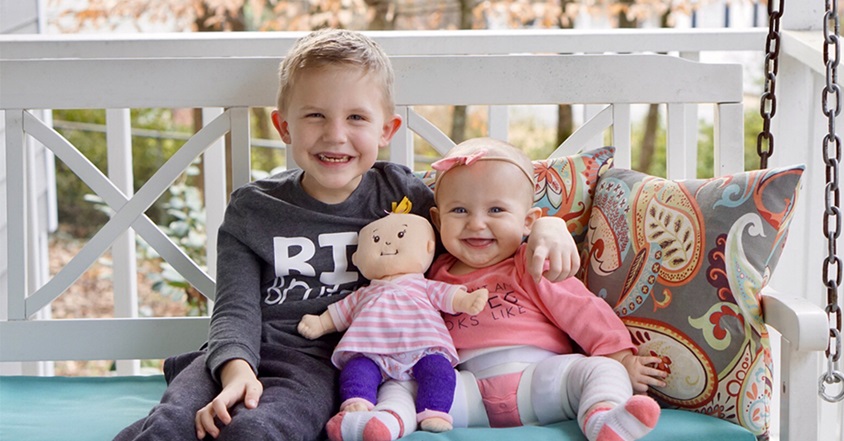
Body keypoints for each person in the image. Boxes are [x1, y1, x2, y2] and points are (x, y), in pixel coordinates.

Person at [114, 29, 578, 441]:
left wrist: (549, 226)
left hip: (324, 365)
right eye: (315, 115)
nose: (335, 135)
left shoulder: (405, 195)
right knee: (172, 424)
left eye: (356, 118)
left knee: (258, 429)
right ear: (284, 126)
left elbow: (480, 220)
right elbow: (234, 309)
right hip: (238, 351)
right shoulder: (254, 209)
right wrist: (237, 371)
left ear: (386, 130)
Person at [429, 138, 667, 441]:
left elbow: (582, 309)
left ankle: (604, 419)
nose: (477, 224)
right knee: (407, 387)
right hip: (468, 392)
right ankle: (383, 419)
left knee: (601, 372)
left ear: (528, 221)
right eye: (460, 210)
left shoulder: (531, 263)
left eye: (496, 210)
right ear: (437, 220)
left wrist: (620, 358)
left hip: (540, 381)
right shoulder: (433, 275)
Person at [298, 209, 489, 436]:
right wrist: (320, 322)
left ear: (429, 247)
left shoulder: (423, 285)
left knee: (439, 371)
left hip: (422, 348)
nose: (387, 242)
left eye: (400, 236)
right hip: (372, 351)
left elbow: (448, 297)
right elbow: (340, 313)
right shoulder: (364, 293)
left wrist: (465, 300)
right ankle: (357, 401)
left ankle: (434, 411)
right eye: (376, 239)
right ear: (358, 259)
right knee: (356, 370)